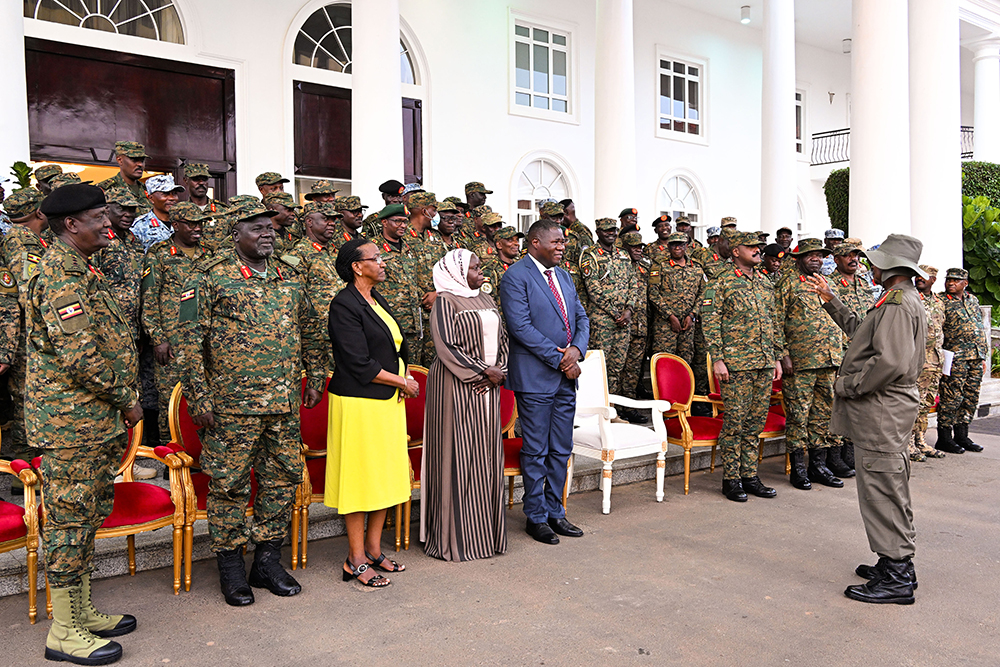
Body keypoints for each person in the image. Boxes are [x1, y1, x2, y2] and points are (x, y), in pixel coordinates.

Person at [177, 201, 326, 606]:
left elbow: (311, 328)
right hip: (231, 406)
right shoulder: (209, 277)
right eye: (257, 227)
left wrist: (313, 377)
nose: (267, 234)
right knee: (229, 485)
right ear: (235, 233)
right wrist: (199, 398)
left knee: (281, 480)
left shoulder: (288, 275)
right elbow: (189, 344)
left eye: (271, 228)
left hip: (281, 401)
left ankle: (266, 561)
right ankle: (230, 566)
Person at [28, 184, 143, 664]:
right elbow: (80, 357)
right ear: (71, 224)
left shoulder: (82, 269)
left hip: (93, 421)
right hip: (70, 423)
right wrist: (127, 399)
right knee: (69, 523)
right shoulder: (60, 277)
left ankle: (81, 613)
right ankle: (64, 631)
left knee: (88, 517)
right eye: (98, 216)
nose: (107, 222)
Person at [805, 234, 927, 605]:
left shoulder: (898, 303)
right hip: (888, 409)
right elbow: (864, 335)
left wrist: (851, 385)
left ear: (890, 266)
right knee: (887, 484)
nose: (870, 265)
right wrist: (832, 301)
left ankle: (897, 574)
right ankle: (892, 561)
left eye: (875, 260)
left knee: (883, 489)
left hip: (882, 409)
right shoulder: (899, 299)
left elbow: (888, 361)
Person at [325, 238, 418, 586]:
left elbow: (391, 348)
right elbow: (358, 361)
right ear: (356, 266)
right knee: (359, 479)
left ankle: (375, 550)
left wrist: (402, 375)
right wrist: (402, 381)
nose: (382, 262)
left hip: (386, 401)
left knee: (383, 476)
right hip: (358, 403)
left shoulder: (376, 300)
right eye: (375, 258)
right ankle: (355, 558)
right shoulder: (343, 304)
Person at [499, 219, 589, 546]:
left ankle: (556, 511)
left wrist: (576, 350)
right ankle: (535, 516)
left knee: (561, 448)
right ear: (535, 243)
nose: (562, 246)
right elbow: (520, 328)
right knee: (536, 450)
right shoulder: (515, 277)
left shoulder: (563, 275)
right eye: (556, 242)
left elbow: (581, 317)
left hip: (566, 376)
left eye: (564, 242)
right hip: (537, 378)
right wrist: (560, 358)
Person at [421, 249, 509, 561]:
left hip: (490, 387)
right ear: (458, 272)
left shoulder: (485, 299)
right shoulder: (446, 301)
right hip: (456, 387)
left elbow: (503, 340)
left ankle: (485, 535)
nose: (481, 272)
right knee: (459, 456)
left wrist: (500, 371)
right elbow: (445, 344)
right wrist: (483, 371)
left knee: (485, 458)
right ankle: (458, 539)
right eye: (474, 268)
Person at [702, 232, 783, 501]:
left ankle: (749, 475)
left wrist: (776, 357)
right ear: (736, 251)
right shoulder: (721, 282)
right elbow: (711, 323)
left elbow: (773, 321)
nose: (758, 251)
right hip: (735, 365)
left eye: (759, 247)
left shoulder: (763, 282)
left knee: (755, 423)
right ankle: (731, 479)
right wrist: (718, 359)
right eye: (752, 248)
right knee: (735, 422)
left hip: (762, 362)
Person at [774, 238, 845, 490]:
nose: (816, 258)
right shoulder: (788, 283)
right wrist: (783, 354)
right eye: (810, 255)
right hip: (801, 361)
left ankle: (819, 466)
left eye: (820, 255)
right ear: (798, 258)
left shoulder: (829, 283)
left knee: (823, 415)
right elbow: (776, 320)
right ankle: (799, 469)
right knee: (799, 415)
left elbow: (838, 317)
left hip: (829, 359)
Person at [142, 202, 212, 449]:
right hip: (172, 340)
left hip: (205, 339)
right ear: (175, 225)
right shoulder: (159, 253)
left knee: (204, 393)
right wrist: (157, 338)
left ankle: (203, 448)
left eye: (200, 223)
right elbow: (149, 299)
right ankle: (169, 450)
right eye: (191, 224)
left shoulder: (210, 252)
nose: (197, 228)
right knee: (170, 397)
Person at [0, 187, 48, 463]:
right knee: (26, 400)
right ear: (39, 211)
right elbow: (25, 294)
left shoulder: (32, 241)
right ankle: (25, 466)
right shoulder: (21, 244)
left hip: (30, 335)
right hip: (25, 337)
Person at [936, 267, 989, 454]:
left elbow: (978, 328)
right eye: (949, 280)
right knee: (952, 397)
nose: (951, 283)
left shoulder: (972, 300)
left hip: (974, 356)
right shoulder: (940, 301)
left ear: (965, 283)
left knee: (971, 396)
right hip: (955, 357)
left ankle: (962, 435)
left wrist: (982, 356)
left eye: (956, 280)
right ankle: (944, 438)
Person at [579, 218, 634, 394]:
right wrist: (616, 313)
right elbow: (593, 290)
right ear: (598, 233)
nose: (611, 233)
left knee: (617, 368)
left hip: (624, 321)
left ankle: (611, 408)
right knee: (598, 367)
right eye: (606, 230)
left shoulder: (624, 255)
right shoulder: (591, 256)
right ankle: (595, 409)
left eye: (614, 230)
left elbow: (633, 283)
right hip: (602, 322)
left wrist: (629, 310)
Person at [648, 232, 701, 368]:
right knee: (664, 363)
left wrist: (692, 315)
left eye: (680, 245)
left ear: (686, 246)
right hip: (664, 326)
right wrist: (670, 316)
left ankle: (684, 390)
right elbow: (653, 293)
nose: (677, 248)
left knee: (685, 362)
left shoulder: (697, 267)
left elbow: (703, 293)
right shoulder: (660, 266)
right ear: (668, 247)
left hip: (688, 324)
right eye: (673, 245)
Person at [911, 265, 947, 461]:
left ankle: (920, 441)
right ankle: (907, 444)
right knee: (912, 404)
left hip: (935, 361)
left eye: (925, 277)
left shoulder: (939, 302)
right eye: (917, 276)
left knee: (926, 403)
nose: (919, 279)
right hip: (917, 361)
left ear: (933, 280)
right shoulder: (911, 299)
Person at [130, 174, 184, 252]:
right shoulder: (139, 226)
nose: (172, 198)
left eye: (174, 193)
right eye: (165, 194)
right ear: (151, 199)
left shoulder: (184, 223)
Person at [97, 141, 150, 215]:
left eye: (142, 160)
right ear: (120, 160)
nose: (140, 164)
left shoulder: (148, 190)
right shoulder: (105, 189)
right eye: (134, 160)